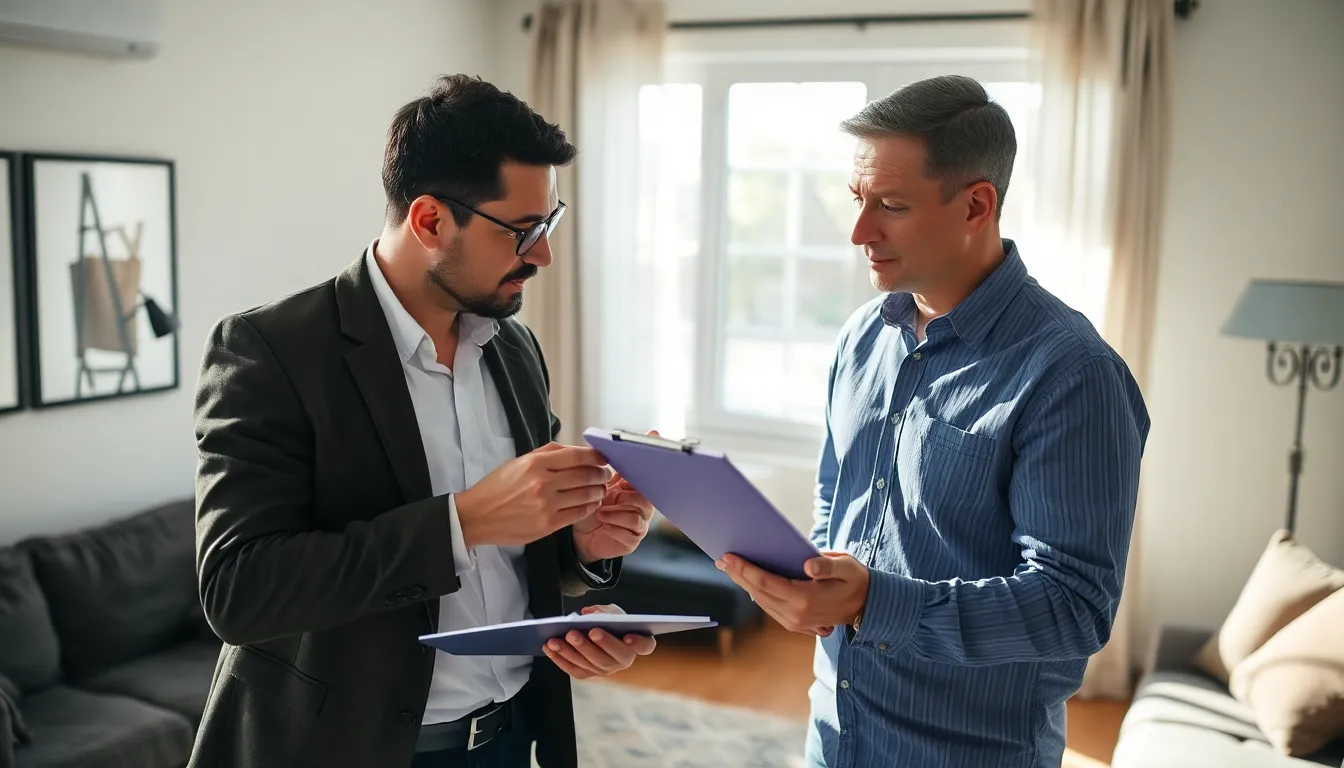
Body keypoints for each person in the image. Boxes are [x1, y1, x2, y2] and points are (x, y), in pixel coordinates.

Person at [189, 74, 657, 768]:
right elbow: (238, 589)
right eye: (524, 231)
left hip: (509, 740)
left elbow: (518, 565)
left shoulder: (516, 349)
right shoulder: (271, 350)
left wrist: (582, 548)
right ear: (431, 220)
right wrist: (464, 520)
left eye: (550, 224)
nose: (544, 256)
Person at [717, 75, 1151, 768]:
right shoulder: (863, 336)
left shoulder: (1072, 375)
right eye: (857, 201)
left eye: (890, 205)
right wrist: (820, 582)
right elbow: (839, 492)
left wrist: (873, 603)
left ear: (977, 204)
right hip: (834, 731)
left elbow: (1074, 606)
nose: (859, 232)